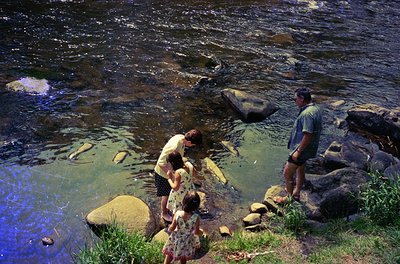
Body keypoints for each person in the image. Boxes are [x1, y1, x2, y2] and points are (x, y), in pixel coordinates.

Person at [274, 88, 322, 203]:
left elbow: (308, 135)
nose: (294, 101)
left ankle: (288, 199)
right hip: (309, 148)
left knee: (287, 173)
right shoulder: (315, 108)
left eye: (295, 99)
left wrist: (298, 151)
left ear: (301, 99)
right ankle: (297, 193)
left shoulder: (306, 114)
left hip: (301, 149)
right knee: (300, 169)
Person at [154, 129, 202, 222]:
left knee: (171, 193)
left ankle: (169, 209)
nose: (192, 146)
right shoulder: (174, 146)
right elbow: (161, 163)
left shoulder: (181, 138)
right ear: (188, 141)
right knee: (166, 195)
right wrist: (171, 175)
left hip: (171, 171)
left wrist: (186, 164)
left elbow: (179, 157)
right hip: (163, 174)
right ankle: (163, 213)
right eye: (192, 144)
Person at [162, 191, 203, 264]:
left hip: (176, 239)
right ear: (196, 206)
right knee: (183, 257)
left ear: (184, 202)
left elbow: (172, 227)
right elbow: (196, 232)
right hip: (187, 242)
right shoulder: (196, 218)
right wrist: (201, 231)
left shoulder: (178, 214)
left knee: (169, 255)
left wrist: (170, 228)